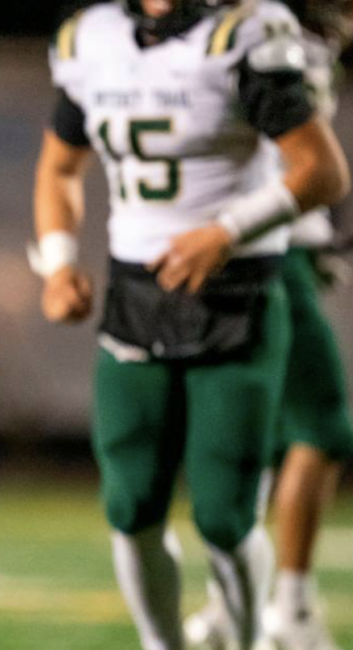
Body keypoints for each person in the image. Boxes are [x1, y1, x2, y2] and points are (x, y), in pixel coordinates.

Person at [33, 1, 349, 649]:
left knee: (226, 515)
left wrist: (226, 234)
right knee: (130, 506)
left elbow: (323, 170)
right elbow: (60, 167)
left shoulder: (240, 37)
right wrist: (59, 263)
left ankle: (255, 632)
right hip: (135, 295)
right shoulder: (91, 39)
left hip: (237, 293)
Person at [182, 2, 353, 649]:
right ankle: (291, 607)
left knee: (250, 437)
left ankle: (231, 604)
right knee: (323, 426)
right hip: (270, 245)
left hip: (269, 245)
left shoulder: (276, 28)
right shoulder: (271, 29)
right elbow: (284, 150)